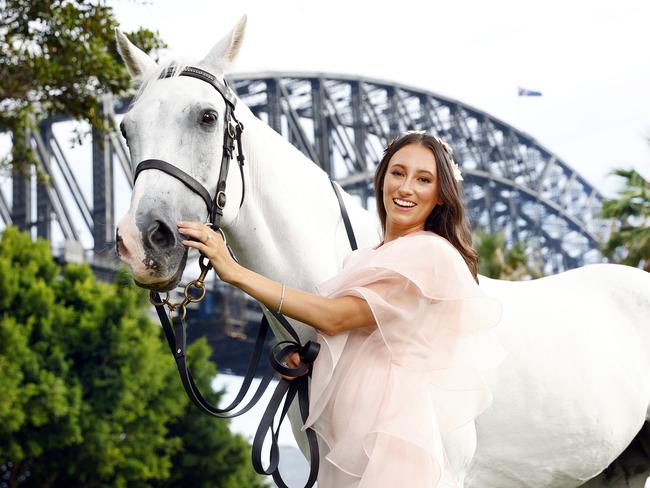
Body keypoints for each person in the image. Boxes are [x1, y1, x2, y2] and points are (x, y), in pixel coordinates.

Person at [176, 131, 507, 487]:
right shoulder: (364, 258)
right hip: (349, 438)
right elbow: (359, 340)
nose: (406, 188)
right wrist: (310, 364)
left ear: (440, 197)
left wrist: (235, 271)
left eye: (423, 179)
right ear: (382, 179)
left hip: (390, 434)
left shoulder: (430, 253)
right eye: (398, 173)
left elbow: (335, 318)